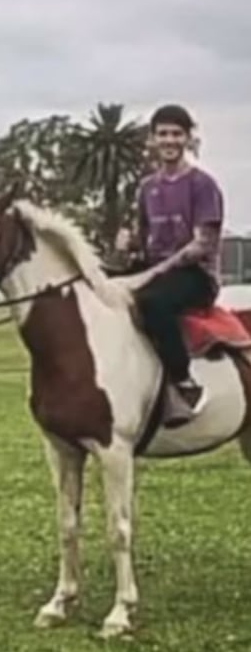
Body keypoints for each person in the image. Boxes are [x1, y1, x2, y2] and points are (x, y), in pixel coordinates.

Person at [116, 103, 223, 422]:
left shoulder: (202, 184)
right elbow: (145, 242)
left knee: (153, 301)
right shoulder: (147, 188)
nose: (169, 140)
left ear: (189, 139)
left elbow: (203, 245)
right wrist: (128, 246)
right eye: (163, 134)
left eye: (177, 134)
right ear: (152, 139)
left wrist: (152, 273)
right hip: (156, 271)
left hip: (195, 276)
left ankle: (184, 383)